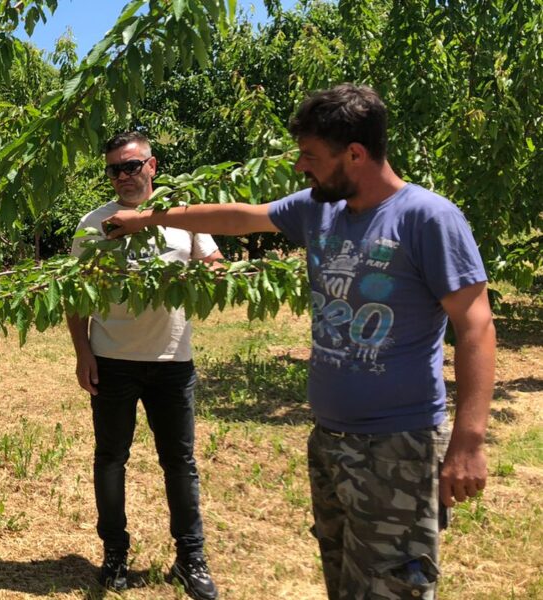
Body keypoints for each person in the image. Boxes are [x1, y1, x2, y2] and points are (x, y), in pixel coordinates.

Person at [104, 84, 495, 600]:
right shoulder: (320, 208)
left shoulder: (427, 218)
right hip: (329, 438)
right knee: (342, 577)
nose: (300, 168)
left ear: (354, 154)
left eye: (310, 156)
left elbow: (476, 326)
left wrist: (467, 442)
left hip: (400, 445)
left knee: (393, 584)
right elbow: (240, 216)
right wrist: (146, 220)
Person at [68, 131, 222, 599]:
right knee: (111, 460)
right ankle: (114, 554)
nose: (122, 176)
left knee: (180, 462)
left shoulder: (181, 216)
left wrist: (198, 273)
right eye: (114, 169)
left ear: (152, 166)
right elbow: (75, 298)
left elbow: (214, 262)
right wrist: (83, 353)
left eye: (131, 166)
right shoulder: (93, 224)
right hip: (112, 361)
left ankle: (190, 558)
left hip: (173, 361)